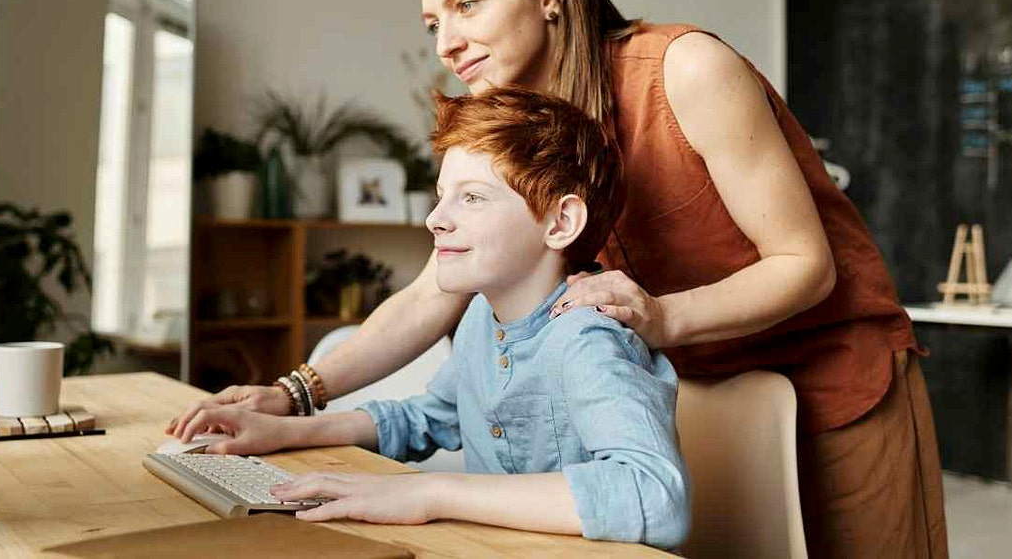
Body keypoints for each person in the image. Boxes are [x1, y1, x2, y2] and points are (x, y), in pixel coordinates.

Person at [171, 0, 946, 558]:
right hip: (696, 389)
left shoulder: (685, 69)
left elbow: (805, 263)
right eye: (433, 20)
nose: (447, 42)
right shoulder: (518, 127)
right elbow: (431, 291)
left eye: (468, 4)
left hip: (836, 381)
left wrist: (661, 315)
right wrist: (292, 392)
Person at [175, 89, 690, 548]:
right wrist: (284, 431)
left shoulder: (588, 337)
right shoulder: (480, 320)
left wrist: (431, 492)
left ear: (560, 222)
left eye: (471, 197)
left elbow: (654, 495)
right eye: (443, 194)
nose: (435, 218)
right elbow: (429, 418)